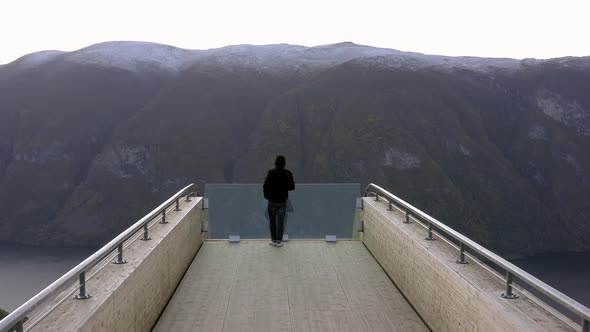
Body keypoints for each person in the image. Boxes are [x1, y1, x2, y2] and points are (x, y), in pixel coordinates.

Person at [263, 155, 295, 247]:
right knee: (280, 222)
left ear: (275, 163)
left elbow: (265, 185)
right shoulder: (288, 173)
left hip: (272, 201)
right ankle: (279, 241)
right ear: (284, 163)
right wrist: (284, 185)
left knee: (272, 221)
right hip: (282, 201)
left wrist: (266, 195)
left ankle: (273, 240)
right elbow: (292, 187)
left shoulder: (271, 173)